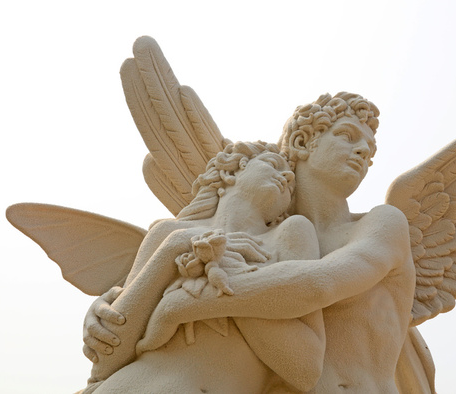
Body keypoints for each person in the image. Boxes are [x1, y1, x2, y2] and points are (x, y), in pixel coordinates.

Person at [136, 93, 417, 393]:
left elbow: (319, 285)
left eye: (370, 150)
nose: (363, 151)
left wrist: (181, 302)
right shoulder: (268, 241)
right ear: (301, 143)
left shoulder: (381, 224)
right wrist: (118, 301)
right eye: (347, 136)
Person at [85, 141, 326, 394]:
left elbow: (305, 369)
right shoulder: (170, 234)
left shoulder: (289, 234)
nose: (287, 176)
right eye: (273, 164)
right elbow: (108, 354)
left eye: (291, 182)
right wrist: (176, 247)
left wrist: (223, 275)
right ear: (230, 172)